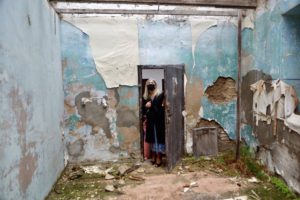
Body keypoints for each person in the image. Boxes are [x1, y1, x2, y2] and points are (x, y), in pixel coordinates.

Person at [142, 79, 165, 167]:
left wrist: (151, 106)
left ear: (155, 84)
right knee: (152, 139)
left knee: (158, 139)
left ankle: (159, 158)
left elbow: (161, 109)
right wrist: (145, 106)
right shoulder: (146, 97)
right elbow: (143, 110)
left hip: (159, 121)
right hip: (151, 121)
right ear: (146, 86)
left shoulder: (160, 94)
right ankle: (153, 156)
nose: (151, 84)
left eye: (152, 83)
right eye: (149, 83)